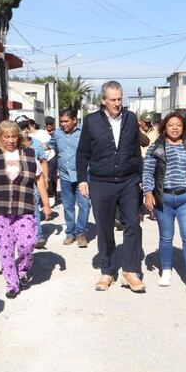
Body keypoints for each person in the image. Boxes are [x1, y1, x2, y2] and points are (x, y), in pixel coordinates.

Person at [76, 81, 146, 293]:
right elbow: (82, 153)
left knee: (133, 224)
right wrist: (82, 179)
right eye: (113, 100)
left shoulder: (131, 119)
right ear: (104, 101)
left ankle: (130, 271)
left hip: (129, 181)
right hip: (101, 182)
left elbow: (136, 150)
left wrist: (141, 177)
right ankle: (107, 271)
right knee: (105, 227)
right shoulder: (91, 121)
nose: (117, 103)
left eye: (120, 99)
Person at [0, 120, 51, 299]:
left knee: (27, 243)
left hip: (24, 208)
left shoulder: (29, 154)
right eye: (6, 136)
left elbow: (39, 179)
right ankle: (12, 284)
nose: (10, 140)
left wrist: (46, 205)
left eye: (14, 136)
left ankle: (22, 270)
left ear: (19, 136)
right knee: (5, 249)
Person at [142, 112, 186, 291]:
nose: (175, 128)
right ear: (165, 127)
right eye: (171, 124)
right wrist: (148, 192)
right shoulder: (156, 147)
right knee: (166, 237)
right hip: (164, 200)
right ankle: (165, 271)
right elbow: (147, 172)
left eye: (178, 125)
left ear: (183, 127)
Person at [53, 108, 90, 247]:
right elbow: (51, 146)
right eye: (61, 121)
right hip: (64, 176)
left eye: (66, 121)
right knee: (68, 206)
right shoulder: (57, 133)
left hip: (82, 176)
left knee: (84, 205)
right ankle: (70, 233)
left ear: (74, 120)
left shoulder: (84, 133)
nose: (63, 124)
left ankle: (81, 233)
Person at [19, 118, 53, 249]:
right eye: (22, 128)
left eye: (26, 127)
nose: (25, 130)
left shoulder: (37, 144)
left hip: (34, 182)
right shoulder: (13, 145)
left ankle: (38, 235)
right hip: (19, 183)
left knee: (34, 207)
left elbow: (43, 162)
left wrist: (46, 179)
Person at [44, 116, 59, 205]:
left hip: (54, 157)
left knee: (53, 177)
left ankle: (52, 194)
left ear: (53, 124)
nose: (49, 126)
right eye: (47, 124)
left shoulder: (57, 133)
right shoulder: (42, 133)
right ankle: (48, 195)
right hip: (44, 158)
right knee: (46, 177)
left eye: (50, 124)